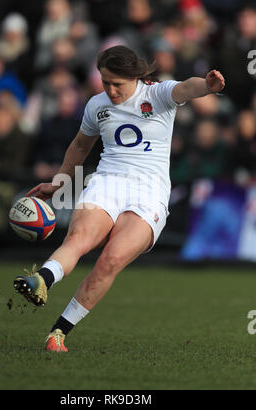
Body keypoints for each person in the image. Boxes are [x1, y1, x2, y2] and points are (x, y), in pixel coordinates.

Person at [13, 45, 225, 352]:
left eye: (117, 84)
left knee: (111, 259)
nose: (111, 90)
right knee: (78, 240)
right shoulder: (96, 105)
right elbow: (80, 146)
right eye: (105, 82)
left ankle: (57, 333)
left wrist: (207, 86)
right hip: (107, 181)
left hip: (150, 193)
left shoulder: (157, 94)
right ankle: (41, 280)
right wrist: (60, 181)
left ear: (135, 77)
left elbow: (186, 88)